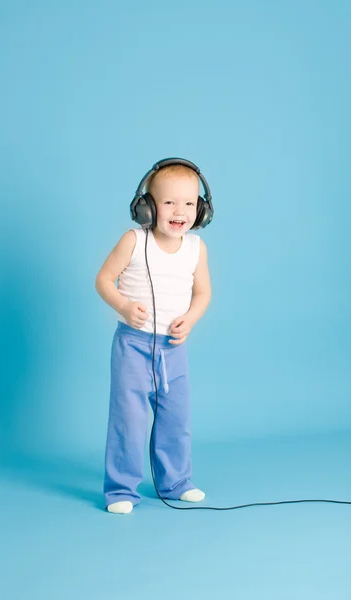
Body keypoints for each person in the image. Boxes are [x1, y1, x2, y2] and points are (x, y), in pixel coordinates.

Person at [95, 162, 212, 514]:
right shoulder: (133, 241)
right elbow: (103, 280)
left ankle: (176, 482)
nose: (180, 212)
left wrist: (190, 319)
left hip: (173, 350)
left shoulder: (196, 248)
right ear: (146, 207)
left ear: (202, 210)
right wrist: (125, 306)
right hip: (133, 344)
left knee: (176, 419)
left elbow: (203, 293)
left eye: (189, 204)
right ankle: (120, 491)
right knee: (128, 421)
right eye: (169, 203)